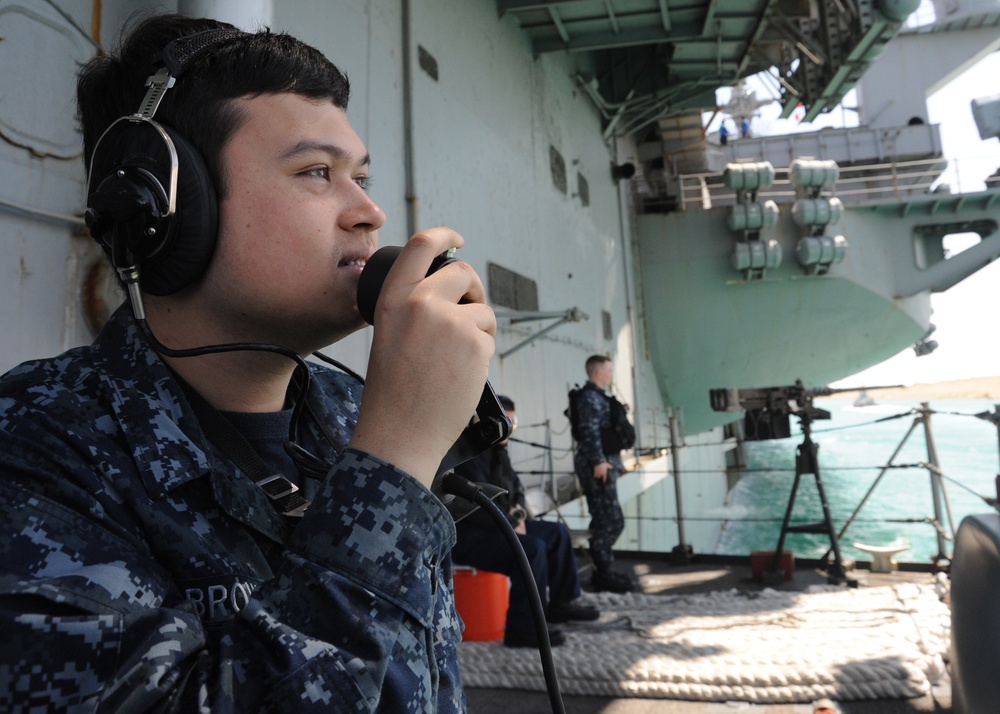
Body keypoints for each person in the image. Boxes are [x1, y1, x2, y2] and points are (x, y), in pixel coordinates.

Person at [0, 14, 498, 713]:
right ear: (164, 210)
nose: (369, 212)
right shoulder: (37, 447)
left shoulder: (361, 411)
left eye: (361, 176)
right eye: (317, 173)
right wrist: (393, 464)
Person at [450, 396, 599, 648]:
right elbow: (477, 504)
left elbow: (515, 489)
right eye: (505, 422)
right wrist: (510, 523)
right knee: (532, 550)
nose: (509, 429)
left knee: (557, 533)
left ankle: (561, 603)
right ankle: (523, 628)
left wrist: (518, 516)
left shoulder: (498, 451)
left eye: (512, 423)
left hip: (503, 525)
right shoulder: (469, 453)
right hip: (473, 537)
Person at [572, 355, 636, 593]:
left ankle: (603, 567)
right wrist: (599, 462)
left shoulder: (600, 397)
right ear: (598, 372)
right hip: (598, 467)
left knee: (608, 519)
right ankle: (603, 572)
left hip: (606, 464)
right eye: (608, 371)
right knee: (607, 520)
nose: (610, 375)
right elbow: (589, 433)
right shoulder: (589, 398)